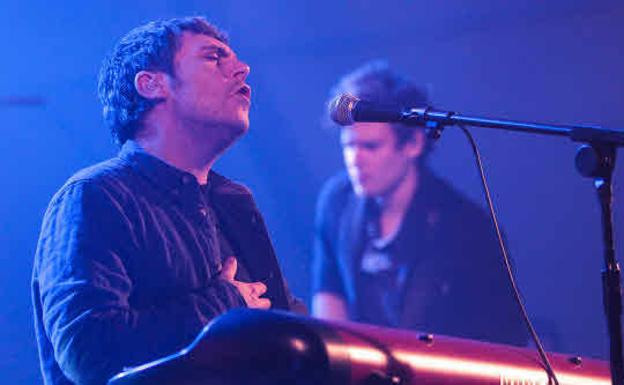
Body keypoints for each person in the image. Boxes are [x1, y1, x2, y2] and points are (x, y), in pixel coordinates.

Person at [32, 16, 303, 385]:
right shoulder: (95, 195)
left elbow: (289, 328)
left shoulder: (235, 203)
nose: (242, 69)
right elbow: (90, 351)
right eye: (214, 58)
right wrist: (222, 307)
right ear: (151, 84)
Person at [311, 61, 527, 346]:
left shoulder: (466, 227)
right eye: (349, 146)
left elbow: (501, 335)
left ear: (413, 144)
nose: (355, 159)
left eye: (371, 147)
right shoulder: (337, 201)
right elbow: (329, 295)